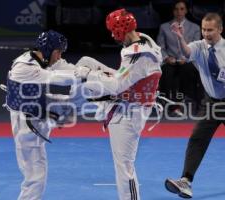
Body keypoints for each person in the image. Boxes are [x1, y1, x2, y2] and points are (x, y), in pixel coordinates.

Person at [164, 13, 225, 198]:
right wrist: (180, 37)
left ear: (220, 29)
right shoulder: (199, 47)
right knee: (197, 139)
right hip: (211, 102)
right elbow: (187, 53)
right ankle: (186, 181)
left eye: (210, 30)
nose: (206, 33)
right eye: (203, 30)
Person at [76, 9, 162, 200]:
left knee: (124, 166)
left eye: (113, 32)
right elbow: (124, 78)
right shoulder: (144, 40)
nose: (113, 36)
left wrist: (89, 75)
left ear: (119, 31)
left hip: (130, 112)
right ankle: (61, 81)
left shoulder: (139, 55)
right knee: (85, 62)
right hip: (130, 98)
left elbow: (116, 86)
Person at [4, 30, 83, 200]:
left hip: (40, 109)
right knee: (35, 177)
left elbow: (66, 68)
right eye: (58, 52)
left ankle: (113, 99)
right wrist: (81, 75)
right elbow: (56, 77)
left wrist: (89, 73)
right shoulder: (25, 67)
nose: (60, 56)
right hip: (26, 124)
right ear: (48, 49)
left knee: (77, 103)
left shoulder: (42, 58)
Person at [157, 0, 203, 116]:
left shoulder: (195, 27)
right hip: (170, 61)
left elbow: (196, 47)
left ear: (186, 11)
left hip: (187, 60)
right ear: (173, 11)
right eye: (176, 9)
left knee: (187, 71)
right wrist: (166, 58)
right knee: (166, 72)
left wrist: (186, 58)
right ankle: (171, 105)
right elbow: (160, 47)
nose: (179, 12)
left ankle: (182, 100)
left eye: (182, 9)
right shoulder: (164, 27)